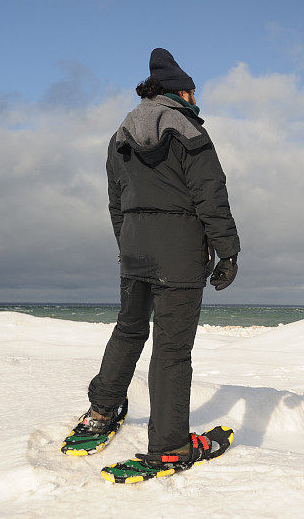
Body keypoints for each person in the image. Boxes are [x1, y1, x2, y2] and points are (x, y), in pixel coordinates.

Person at [79, 47, 240, 463]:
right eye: (193, 91)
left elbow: (116, 202)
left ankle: (101, 412)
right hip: (180, 257)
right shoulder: (188, 131)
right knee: (171, 349)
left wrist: (127, 245)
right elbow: (210, 194)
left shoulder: (120, 135)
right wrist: (228, 252)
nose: (195, 98)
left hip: (135, 254)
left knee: (128, 330)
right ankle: (170, 445)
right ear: (181, 92)